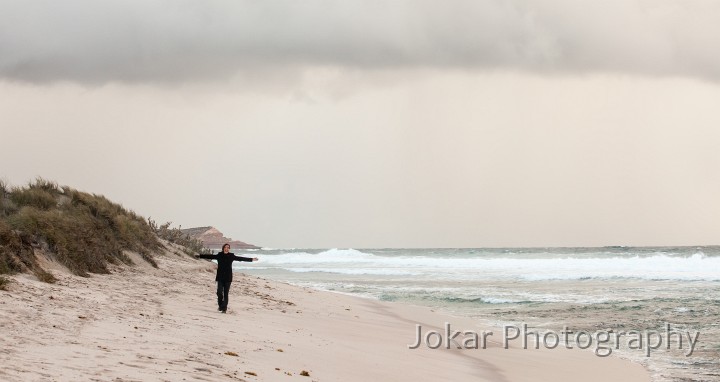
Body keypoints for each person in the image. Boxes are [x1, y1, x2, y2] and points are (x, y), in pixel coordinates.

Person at [196, 243, 258, 313]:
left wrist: (251, 259)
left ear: (229, 249)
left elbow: (240, 258)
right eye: (225, 247)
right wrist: (200, 256)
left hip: (228, 277)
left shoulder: (231, 256)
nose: (227, 248)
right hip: (220, 277)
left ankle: (224, 309)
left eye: (228, 247)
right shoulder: (219, 255)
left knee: (226, 293)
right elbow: (210, 256)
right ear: (223, 248)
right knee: (219, 292)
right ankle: (220, 306)